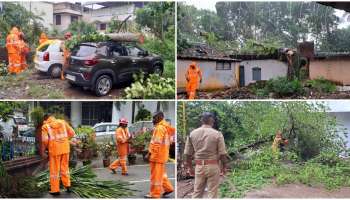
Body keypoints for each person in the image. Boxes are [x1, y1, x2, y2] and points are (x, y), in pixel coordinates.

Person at [184, 112, 228, 198]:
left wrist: (190, 168)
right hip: (213, 166)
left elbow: (187, 154)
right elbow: (223, 154)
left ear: (201, 121)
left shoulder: (192, 134)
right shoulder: (217, 134)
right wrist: (224, 167)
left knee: (197, 193)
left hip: (199, 167)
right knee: (212, 193)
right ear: (212, 121)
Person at [41, 114, 75, 195]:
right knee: (65, 168)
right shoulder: (63, 122)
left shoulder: (45, 126)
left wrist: (45, 148)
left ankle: (55, 190)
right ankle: (68, 186)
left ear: (45, 119)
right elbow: (72, 133)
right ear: (53, 117)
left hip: (54, 150)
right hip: (65, 148)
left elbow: (45, 140)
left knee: (54, 171)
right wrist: (65, 140)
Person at [145, 111, 175, 198]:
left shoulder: (159, 128)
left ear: (160, 117)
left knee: (156, 177)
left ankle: (155, 194)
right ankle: (168, 188)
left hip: (157, 156)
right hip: (162, 155)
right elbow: (170, 141)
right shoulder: (166, 127)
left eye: (154, 118)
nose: (152, 120)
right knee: (161, 174)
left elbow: (156, 143)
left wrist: (150, 154)